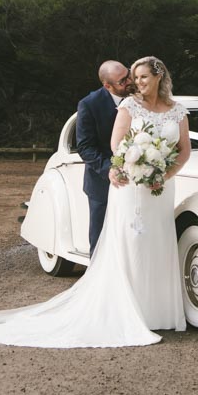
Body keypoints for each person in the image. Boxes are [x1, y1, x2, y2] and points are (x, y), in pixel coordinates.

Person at [0, 56, 189, 348]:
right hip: (127, 183)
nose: (135, 83)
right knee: (125, 244)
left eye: (141, 77)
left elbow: (183, 149)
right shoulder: (123, 106)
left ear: (159, 77)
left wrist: (163, 172)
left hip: (160, 187)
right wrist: (129, 168)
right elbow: (114, 145)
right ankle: (125, 310)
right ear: (108, 83)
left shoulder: (177, 111)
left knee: (158, 242)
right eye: (131, 78)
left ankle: (158, 312)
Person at [76, 60, 132, 252]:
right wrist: (111, 169)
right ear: (108, 86)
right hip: (102, 183)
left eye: (128, 74)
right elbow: (85, 147)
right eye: (122, 81)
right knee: (100, 239)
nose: (129, 81)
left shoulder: (143, 98)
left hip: (139, 181)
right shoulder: (89, 104)